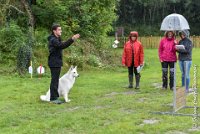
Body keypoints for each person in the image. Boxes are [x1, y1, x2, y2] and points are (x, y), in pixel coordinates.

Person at [48, 23, 80, 104]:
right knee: (54, 80)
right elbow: (62, 45)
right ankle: (53, 98)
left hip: (57, 62)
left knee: (56, 80)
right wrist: (72, 39)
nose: (60, 31)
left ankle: (55, 97)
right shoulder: (53, 39)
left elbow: (62, 44)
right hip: (54, 63)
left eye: (60, 29)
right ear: (54, 31)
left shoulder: (56, 38)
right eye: (59, 29)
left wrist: (71, 40)